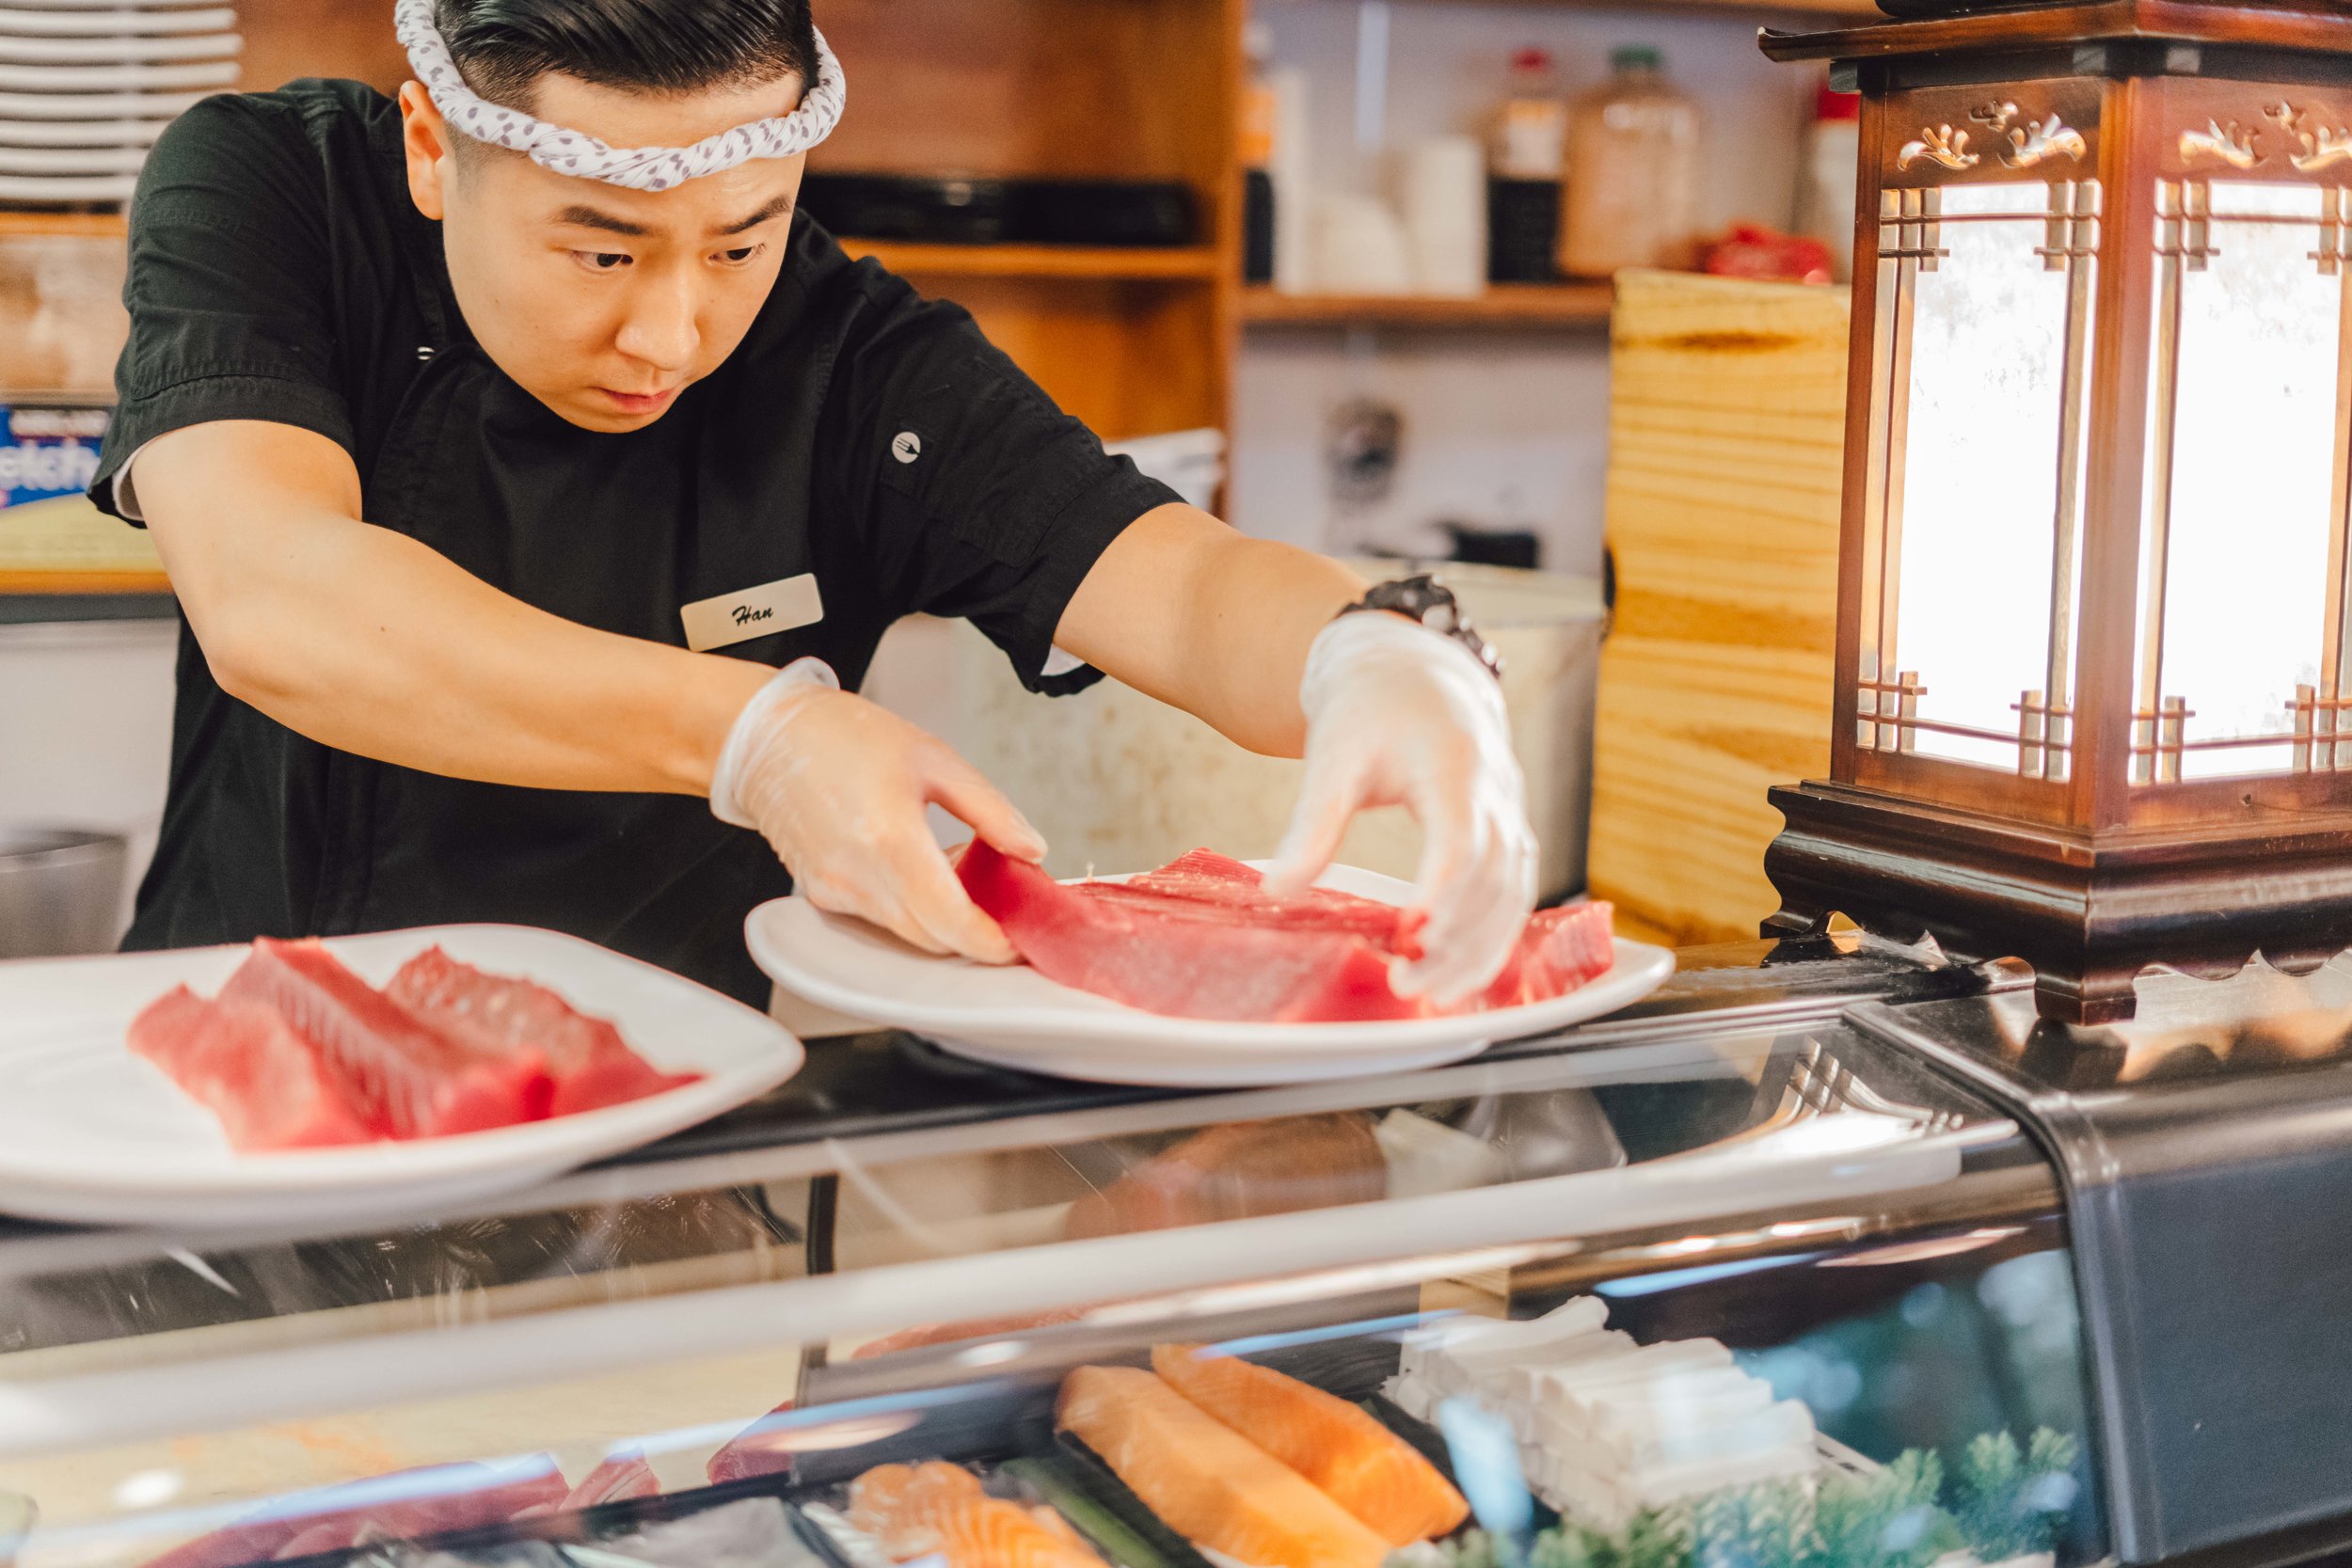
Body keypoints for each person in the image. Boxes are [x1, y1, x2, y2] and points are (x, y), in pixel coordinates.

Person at [94, 0, 1537, 1008]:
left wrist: (1381, 652)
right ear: (431, 147)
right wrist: (756, 736)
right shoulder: (281, 195)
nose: (671, 334)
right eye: (602, 253)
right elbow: (273, 596)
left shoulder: (855, 367)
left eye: (743, 241)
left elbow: (1183, 583)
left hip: (666, 1153)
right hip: (237, 1098)